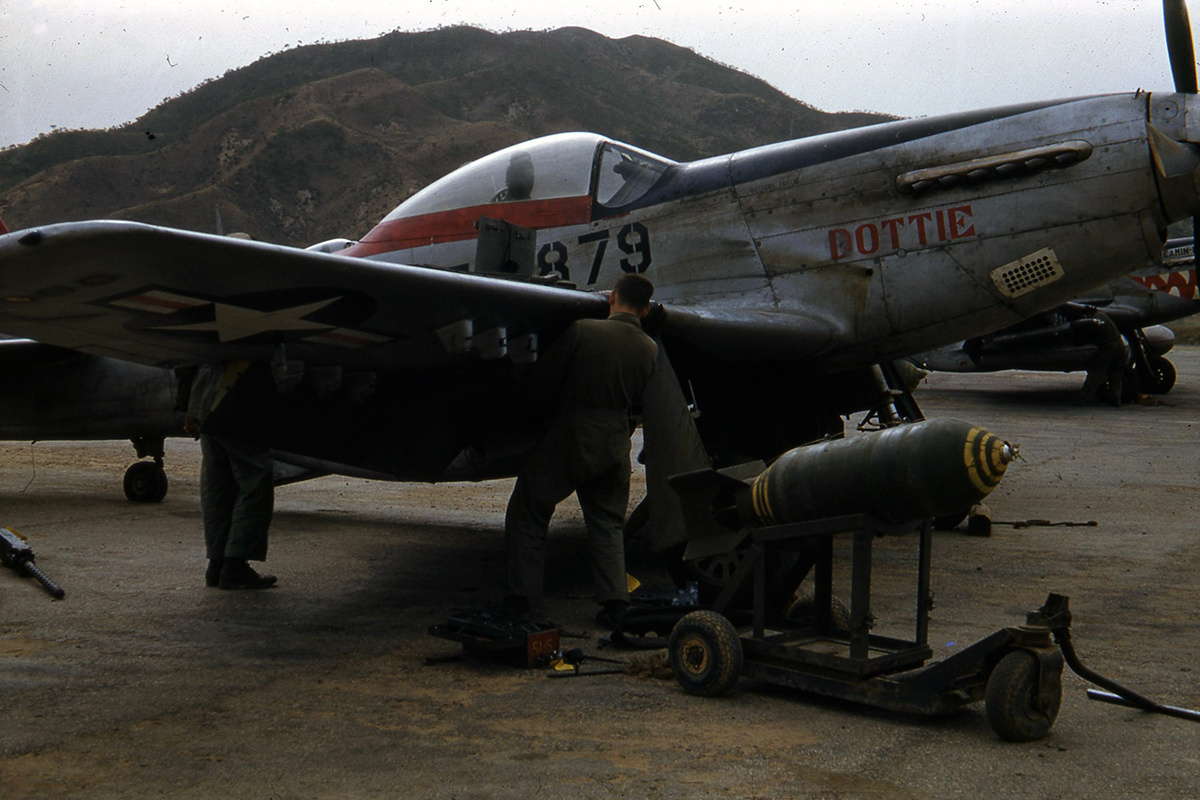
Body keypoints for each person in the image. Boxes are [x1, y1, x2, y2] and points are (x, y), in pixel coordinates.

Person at [503, 273, 659, 626]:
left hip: (572, 434)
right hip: (615, 442)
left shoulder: (583, 331)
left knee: (529, 508)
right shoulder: (650, 350)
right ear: (646, 309)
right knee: (607, 524)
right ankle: (616, 604)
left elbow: (545, 380)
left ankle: (520, 599)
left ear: (611, 299)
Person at [182, 362, 278, 590]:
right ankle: (235, 565)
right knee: (255, 478)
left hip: (206, 401)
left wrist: (191, 409)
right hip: (237, 394)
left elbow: (196, 360)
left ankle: (217, 564)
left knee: (218, 484)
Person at [1078, 309, 1129, 406]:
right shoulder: (1102, 315)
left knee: (1096, 371)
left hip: (1110, 347)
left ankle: (1085, 397)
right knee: (1116, 374)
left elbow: (1089, 336)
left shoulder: (1093, 320)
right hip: (1121, 345)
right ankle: (1116, 398)